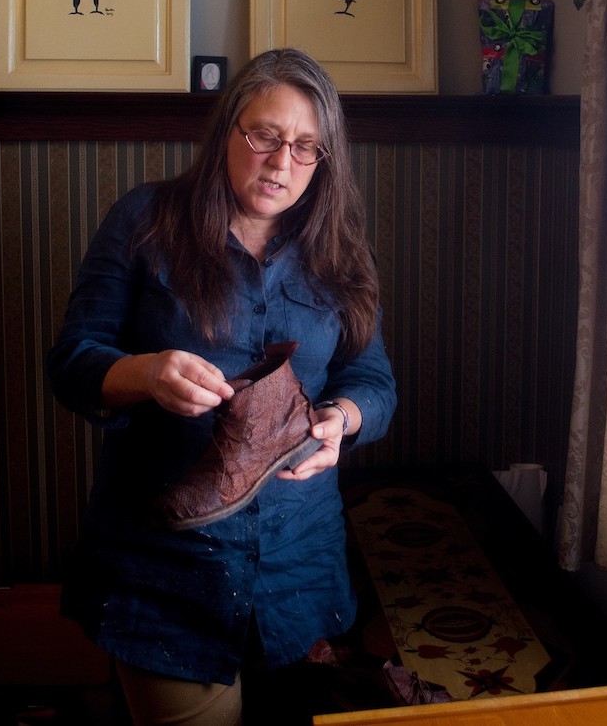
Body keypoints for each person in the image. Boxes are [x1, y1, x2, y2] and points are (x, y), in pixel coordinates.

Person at [46, 48, 397, 726]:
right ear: (228, 130)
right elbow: (72, 362)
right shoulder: (145, 221)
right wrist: (147, 373)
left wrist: (342, 420)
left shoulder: (341, 250)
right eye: (265, 135)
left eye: (305, 147)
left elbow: (372, 379)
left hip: (301, 563)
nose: (281, 162)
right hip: (165, 562)